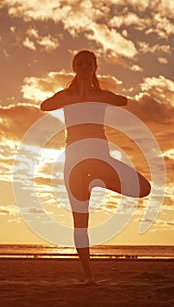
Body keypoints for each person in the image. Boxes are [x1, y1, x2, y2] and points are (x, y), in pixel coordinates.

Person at [40, 50, 151, 284]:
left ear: (94, 67)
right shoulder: (66, 95)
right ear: (74, 67)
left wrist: (97, 96)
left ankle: (98, 181)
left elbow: (123, 101)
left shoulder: (100, 94)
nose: (83, 66)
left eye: (87, 63)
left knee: (143, 188)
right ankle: (89, 275)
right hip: (74, 163)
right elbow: (44, 105)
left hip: (101, 159)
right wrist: (71, 97)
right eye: (79, 63)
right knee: (80, 222)